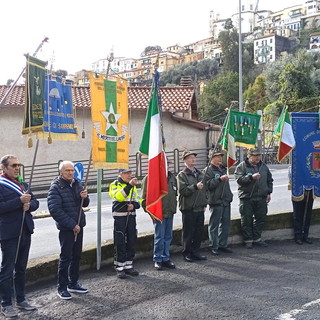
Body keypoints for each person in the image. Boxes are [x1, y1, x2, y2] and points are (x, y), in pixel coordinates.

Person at [0, 154, 39, 318]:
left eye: (18, 165)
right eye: (13, 165)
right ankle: (6, 304)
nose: (17, 168)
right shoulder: (1, 185)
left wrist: (29, 205)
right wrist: (19, 201)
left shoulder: (23, 184)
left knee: (21, 269)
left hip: (25, 231)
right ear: (4, 168)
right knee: (7, 270)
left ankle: (21, 299)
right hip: (9, 234)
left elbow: (36, 203)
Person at [47, 161, 90, 300]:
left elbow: (85, 203)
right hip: (67, 228)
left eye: (71, 170)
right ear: (61, 172)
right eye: (67, 171)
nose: (70, 173)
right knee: (66, 258)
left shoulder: (77, 184)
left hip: (79, 225)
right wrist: (72, 225)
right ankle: (62, 287)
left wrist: (85, 197)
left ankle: (73, 283)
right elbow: (55, 210)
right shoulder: (56, 187)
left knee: (77, 256)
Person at [235, 148, 273, 249]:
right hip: (247, 198)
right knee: (246, 220)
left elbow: (269, 179)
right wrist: (251, 177)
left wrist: (269, 192)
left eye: (258, 156)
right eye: (255, 156)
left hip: (261, 197)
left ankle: (257, 238)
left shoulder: (264, 166)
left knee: (261, 218)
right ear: (249, 156)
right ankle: (248, 240)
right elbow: (239, 180)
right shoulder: (241, 166)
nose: (257, 158)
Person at [141, 168, 177, 270]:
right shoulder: (150, 178)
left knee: (168, 236)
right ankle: (158, 259)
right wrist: (150, 212)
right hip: (158, 213)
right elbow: (144, 198)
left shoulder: (172, 177)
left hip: (169, 211)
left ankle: (166, 258)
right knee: (159, 237)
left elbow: (174, 193)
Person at [109, 169, 141, 279]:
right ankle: (119, 266)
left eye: (130, 173)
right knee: (120, 241)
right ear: (120, 174)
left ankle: (128, 264)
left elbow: (138, 200)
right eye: (127, 173)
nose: (129, 175)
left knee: (132, 240)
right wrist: (129, 186)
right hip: (120, 217)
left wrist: (134, 205)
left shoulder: (132, 185)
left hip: (131, 216)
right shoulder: (114, 184)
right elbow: (119, 196)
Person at [177, 150, 207, 262]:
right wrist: (194, 187)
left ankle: (195, 252)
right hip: (189, 208)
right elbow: (183, 191)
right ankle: (187, 252)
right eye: (190, 158)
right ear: (184, 161)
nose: (193, 160)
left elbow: (205, 190)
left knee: (198, 232)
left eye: (194, 157)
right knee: (188, 232)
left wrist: (204, 202)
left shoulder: (200, 174)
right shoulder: (182, 175)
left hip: (200, 207)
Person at [205, 149, 233, 256]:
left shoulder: (223, 169)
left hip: (225, 200)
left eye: (221, 156)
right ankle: (214, 246)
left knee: (225, 224)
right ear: (212, 158)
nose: (220, 158)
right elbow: (208, 185)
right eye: (217, 156)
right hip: (215, 200)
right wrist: (219, 180)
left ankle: (223, 244)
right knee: (214, 225)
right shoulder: (208, 170)